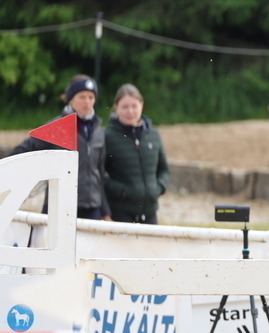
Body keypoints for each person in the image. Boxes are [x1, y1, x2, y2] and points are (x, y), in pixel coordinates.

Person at [7, 75, 111, 220]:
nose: (87, 102)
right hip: (59, 205)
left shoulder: (99, 131)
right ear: (71, 99)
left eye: (91, 97)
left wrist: (105, 211)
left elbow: (99, 173)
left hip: (91, 208)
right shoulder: (58, 127)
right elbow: (24, 149)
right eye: (82, 97)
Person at [104, 84, 170, 224]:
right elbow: (99, 175)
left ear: (142, 105)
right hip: (120, 212)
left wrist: (157, 189)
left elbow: (164, 170)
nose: (130, 111)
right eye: (125, 107)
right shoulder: (107, 136)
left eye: (134, 106)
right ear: (116, 108)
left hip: (150, 213)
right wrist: (122, 191)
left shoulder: (153, 134)